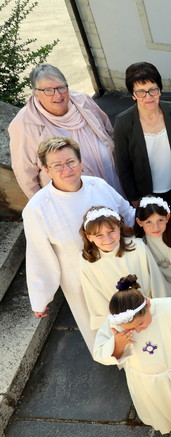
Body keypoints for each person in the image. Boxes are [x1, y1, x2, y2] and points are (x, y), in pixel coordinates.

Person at [23, 137, 134, 351]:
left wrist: (157, 221)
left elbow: (127, 214)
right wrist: (40, 297)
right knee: (106, 335)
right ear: (46, 169)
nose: (67, 169)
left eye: (71, 162)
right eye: (57, 165)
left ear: (80, 162)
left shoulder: (98, 185)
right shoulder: (37, 208)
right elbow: (39, 256)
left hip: (120, 268)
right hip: (80, 281)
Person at [92, 275, 171, 437]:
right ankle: (168, 420)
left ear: (147, 305)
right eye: (131, 328)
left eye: (140, 324)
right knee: (162, 405)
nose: (138, 330)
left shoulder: (166, 308)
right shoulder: (115, 322)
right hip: (147, 378)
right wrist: (117, 344)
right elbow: (98, 353)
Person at [9, 64, 124, 198]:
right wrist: (45, 204)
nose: (58, 95)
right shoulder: (24, 124)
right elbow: (25, 172)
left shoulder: (83, 101)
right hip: (70, 197)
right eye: (48, 90)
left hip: (112, 181)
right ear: (36, 93)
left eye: (61, 88)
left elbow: (109, 132)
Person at [113, 62, 171, 221]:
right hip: (148, 194)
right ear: (133, 95)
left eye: (153, 90)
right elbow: (123, 165)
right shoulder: (123, 122)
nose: (148, 97)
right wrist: (134, 198)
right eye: (141, 92)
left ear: (160, 90)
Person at [80, 206, 170, 331]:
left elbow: (156, 282)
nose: (108, 239)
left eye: (111, 231)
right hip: (119, 323)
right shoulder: (87, 261)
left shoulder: (137, 247)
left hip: (149, 314)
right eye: (99, 235)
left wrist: (164, 311)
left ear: (119, 227)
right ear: (89, 237)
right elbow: (95, 298)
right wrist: (112, 327)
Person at [134, 196, 171, 304]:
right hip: (164, 292)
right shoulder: (141, 244)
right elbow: (149, 274)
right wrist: (168, 289)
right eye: (148, 222)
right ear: (139, 222)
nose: (155, 227)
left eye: (160, 220)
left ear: (167, 217)